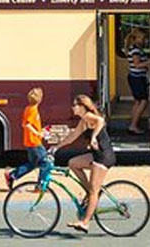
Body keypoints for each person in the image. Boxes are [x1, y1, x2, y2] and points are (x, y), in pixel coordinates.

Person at [56, 94, 116, 234]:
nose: (72, 108)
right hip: (96, 154)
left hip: (103, 157)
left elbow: (100, 121)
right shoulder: (84, 121)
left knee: (94, 191)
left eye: (75, 105)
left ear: (82, 107)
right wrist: (56, 147)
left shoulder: (90, 116)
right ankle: (89, 192)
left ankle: (85, 222)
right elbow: (72, 137)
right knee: (73, 163)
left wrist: (94, 137)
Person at [4, 87, 54, 191]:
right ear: (40, 99)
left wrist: (41, 131)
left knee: (32, 164)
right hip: (34, 142)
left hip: (30, 142)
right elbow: (26, 124)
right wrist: (37, 133)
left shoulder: (29, 108)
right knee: (46, 163)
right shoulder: (33, 110)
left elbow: (28, 124)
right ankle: (40, 186)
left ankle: (12, 176)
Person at [123, 28, 150, 135]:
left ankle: (133, 124)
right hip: (137, 78)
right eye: (143, 38)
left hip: (135, 78)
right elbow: (137, 64)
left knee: (138, 101)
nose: (145, 40)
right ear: (136, 38)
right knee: (143, 101)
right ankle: (133, 125)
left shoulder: (136, 48)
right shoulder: (135, 50)